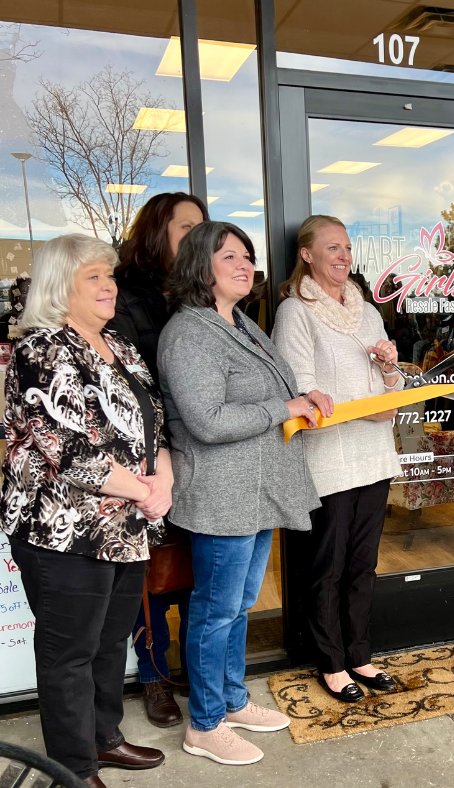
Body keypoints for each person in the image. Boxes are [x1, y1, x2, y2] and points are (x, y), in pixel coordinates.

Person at [1, 234, 170, 787]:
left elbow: (155, 423)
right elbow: (64, 449)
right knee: (69, 652)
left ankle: (105, 738)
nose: (109, 285)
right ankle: (73, 768)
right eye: (94, 276)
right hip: (63, 529)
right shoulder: (40, 349)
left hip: (126, 527)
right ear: (59, 286)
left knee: (106, 643)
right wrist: (143, 490)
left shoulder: (118, 345)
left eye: (110, 275)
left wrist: (162, 479)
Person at [157, 222, 327, 765]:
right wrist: (286, 408)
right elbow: (206, 421)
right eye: (228, 255)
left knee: (238, 606)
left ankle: (230, 699)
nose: (244, 264)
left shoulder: (243, 326)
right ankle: (204, 724)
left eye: (247, 255)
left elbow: (273, 393)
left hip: (256, 489)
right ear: (198, 267)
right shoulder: (189, 332)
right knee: (215, 609)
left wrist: (301, 397)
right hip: (221, 492)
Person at [272, 215, 402, 702]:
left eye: (347, 247)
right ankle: (330, 662)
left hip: (373, 454)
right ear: (307, 254)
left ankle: (360, 655)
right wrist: (367, 405)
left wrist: (389, 372)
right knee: (327, 564)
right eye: (333, 248)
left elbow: (390, 395)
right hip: (328, 456)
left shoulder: (366, 311)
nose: (344, 256)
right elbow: (306, 393)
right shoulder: (295, 312)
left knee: (363, 563)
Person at [108, 191, 208, 728]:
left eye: (202, 227)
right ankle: (153, 675)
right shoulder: (123, 296)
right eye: (185, 226)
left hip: (203, 452)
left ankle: (191, 668)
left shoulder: (199, 294)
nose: (197, 235)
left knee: (197, 569)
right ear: (155, 232)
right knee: (151, 574)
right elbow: (130, 387)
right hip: (151, 456)